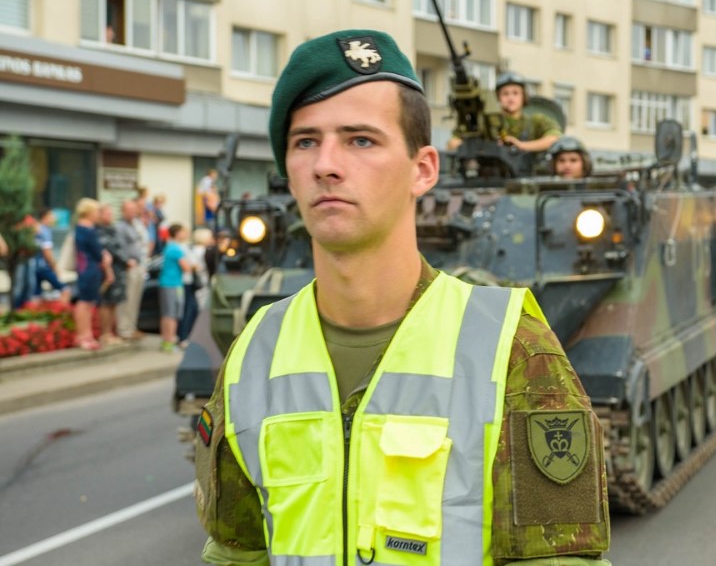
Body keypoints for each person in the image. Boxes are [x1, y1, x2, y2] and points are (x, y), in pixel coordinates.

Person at [193, 29, 610, 565]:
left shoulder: (510, 349)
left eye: (360, 140)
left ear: (423, 170)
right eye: (305, 142)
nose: (326, 164)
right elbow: (237, 554)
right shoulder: (254, 355)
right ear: (289, 174)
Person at [446, 71, 563, 153]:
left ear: (524, 96)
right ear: (498, 98)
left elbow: (555, 138)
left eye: (515, 93)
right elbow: (452, 143)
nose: (510, 98)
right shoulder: (486, 121)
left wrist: (521, 145)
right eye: (505, 94)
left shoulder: (536, 121)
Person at [73, 198, 108, 351]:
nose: (98, 214)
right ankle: (84, 336)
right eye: (96, 211)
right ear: (88, 212)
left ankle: (86, 335)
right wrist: (104, 257)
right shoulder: (87, 229)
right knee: (85, 303)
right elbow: (97, 252)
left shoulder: (82, 228)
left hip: (87, 268)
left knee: (88, 303)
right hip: (89, 269)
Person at [115, 199, 149, 340]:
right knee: (127, 299)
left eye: (133, 210)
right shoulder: (120, 226)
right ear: (123, 211)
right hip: (129, 268)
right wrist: (126, 261)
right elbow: (118, 247)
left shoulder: (136, 224)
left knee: (135, 299)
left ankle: (132, 327)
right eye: (128, 210)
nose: (131, 212)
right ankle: (124, 329)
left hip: (140, 265)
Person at [95, 203, 129, 346]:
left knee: (114, 302)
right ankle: (105, 334)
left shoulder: (112, 229)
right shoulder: (98, 231)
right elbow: (110, 249)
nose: (110, 216)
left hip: (118, 270)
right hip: (107, 271)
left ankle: (111, 333)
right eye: (107, 213)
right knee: (106, 302)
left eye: (111, 213)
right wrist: (126, 261)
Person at [158, 223, 191, 352]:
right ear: (177, 234)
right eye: (183, 231)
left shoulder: (169, 246)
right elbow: (186, 268)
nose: (186, 234)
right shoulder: (176, 249)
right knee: (172, 315)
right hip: (174, 284)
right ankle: (170, 342)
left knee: (166, 314)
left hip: (166, 283)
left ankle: (165, 341)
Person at [32, 209, 71, 303]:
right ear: (45, 217)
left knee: (36, 296)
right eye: (52, 216)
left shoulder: (37, 229)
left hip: (34, 267)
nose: (54, 218)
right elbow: (47, 252)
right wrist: (54, 267)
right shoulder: (44, 231)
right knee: (65, 290)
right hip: (44, 267)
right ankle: (62, 310)